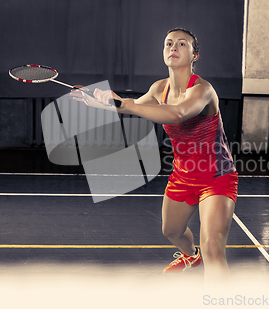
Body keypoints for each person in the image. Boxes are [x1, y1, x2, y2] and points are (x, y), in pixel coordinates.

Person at [71, 28, 238, 284]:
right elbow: (134, 105)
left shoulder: (203, 90)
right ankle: (190, 256)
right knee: (171, 230)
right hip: (183, 174)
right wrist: (104, 103)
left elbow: (177, 114)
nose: (174, 47)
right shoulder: (160, 88)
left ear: (195, 55)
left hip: (216, 175)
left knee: (213, 247)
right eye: (169, 43)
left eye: (182, 44)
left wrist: (122, 104)